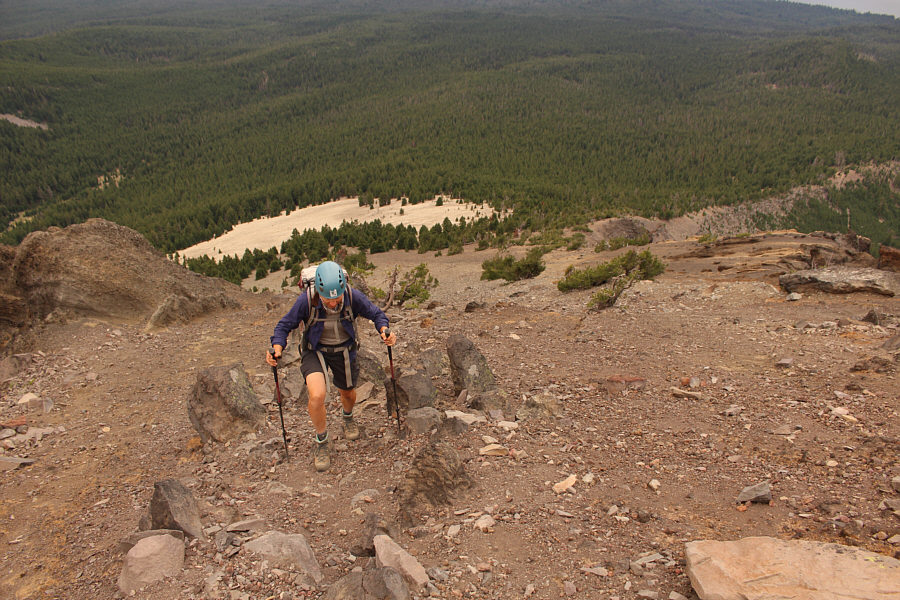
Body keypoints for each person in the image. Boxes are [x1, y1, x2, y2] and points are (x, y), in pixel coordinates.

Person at [266, 260, 396, 472]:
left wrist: (384, 330)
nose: (334, 303)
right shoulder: (306, 301)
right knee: (317, 395)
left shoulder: (352, 296)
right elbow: (284, 325)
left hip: (344, 349)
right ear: (319, 291)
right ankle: (321, 441)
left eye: (337, 298)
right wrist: (277, 347)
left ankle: (348, 417)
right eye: (328, 298)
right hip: (314, 350)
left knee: (348, 393)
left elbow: (376, 314)